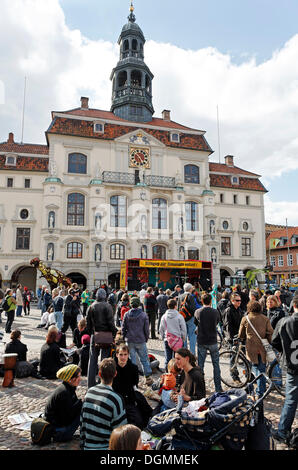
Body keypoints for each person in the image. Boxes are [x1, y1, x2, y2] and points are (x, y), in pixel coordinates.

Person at [80, 358, 127, 450]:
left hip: (87, 446)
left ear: (99, 374)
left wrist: (82, 445)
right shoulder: (116, 399)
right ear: (115, 374)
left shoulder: (89, 392)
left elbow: (82, 423)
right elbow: (121, 432)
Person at [271, 298, 298, 443]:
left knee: (291, 400)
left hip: (292, 366)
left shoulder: (284, 322)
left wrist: (285, 352)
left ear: (294, 305)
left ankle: (282, 431)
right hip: (292, 366)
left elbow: (274, 342)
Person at [238, 300, 274, 398]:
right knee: (261, 368)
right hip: (262, 347)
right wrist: (269, 343)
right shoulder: (265, 319)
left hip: (251, 347)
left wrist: (241, 338)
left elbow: (241, 334)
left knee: (255, 368)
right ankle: (260, 390)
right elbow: (270, 332)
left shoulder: (245, 318)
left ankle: (257, 391)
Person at [112, 344, 152, 430]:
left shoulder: (133, 368)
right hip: (115, 400)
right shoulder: (112, 368)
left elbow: (134, 383)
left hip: (128, 399)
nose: (123, 357)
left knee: (139, 423)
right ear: (117, 355)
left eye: (125, 354)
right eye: (121, 354)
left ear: (128, 355)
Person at [86, 288, 117, 389]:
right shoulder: (108, 306)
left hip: (95, 335)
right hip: (106, 336)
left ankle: (90, 384)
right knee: (104, 360)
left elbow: (88, 324)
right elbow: (110, 323)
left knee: (92, 360)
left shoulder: (91, 306)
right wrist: (115, 332)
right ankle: (102, 382)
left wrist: (92, 334)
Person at [44, 364, 83, 442]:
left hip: (58, 426)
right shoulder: (64, 393)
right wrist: (80, 405)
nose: (80, 379)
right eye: (78, 377)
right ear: (70, 379)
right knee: (84, 411)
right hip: (59, 432)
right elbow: (66, 418)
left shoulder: (68, 388)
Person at [121, 296, 153, 386]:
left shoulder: (127, 314)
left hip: (130, 340)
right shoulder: (143, 315)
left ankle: (133, 378)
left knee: (132, 360)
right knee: (144, 359)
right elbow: (146, 329)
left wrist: (124, 337)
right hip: (140, 339)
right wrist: (146, 338)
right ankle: (148, 378)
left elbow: (123, 328)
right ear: (139, 304)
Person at [194, 292, 223, 393]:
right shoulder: (215, 312)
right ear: (211, 301)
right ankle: (218, 388)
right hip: (213, 340)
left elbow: (195, 323)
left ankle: (200, 388)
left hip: (202, 340)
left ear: (201, 301)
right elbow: (217, 322)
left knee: (200, 365)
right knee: (216, 365)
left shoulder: (198, 312)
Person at [159, 298, 187, 370]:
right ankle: (178, 375)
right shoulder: (179, 316)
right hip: (178, 340)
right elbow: (183, 329)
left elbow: (161, 329)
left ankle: (168, 374)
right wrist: (183, 338)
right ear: (175, 306)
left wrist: (163, 337)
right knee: (178, 359)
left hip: (167, 339)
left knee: (167, 359)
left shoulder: (164, 316)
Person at [177, 283, 197, 355]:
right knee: (192, 335)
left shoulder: (180, 296)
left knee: (184, 335)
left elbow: (178, 307)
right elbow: (193, 308)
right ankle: (192, 353)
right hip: (190, 318)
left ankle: (184, 352)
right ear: (190, 289)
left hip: (182, 317)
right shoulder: (190, 296)